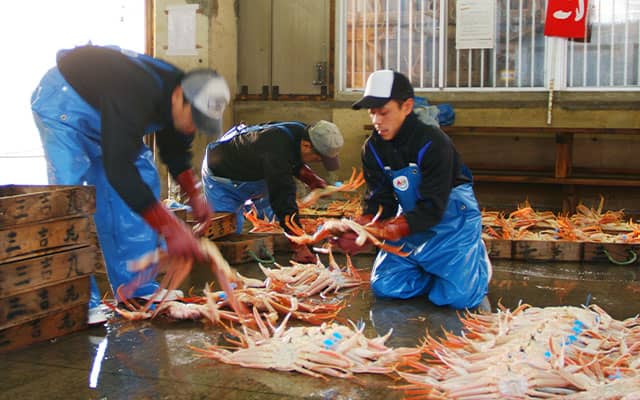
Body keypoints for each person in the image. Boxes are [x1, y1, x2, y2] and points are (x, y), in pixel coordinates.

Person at [31, 44, 230, 324]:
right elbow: (119, 169)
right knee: (72, 196)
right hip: (65, 104)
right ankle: (78, 300)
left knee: (144, 179)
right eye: (195, 120)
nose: (194, 128)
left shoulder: (180, 98)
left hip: (108, 112)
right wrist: (170, 228)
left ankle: (137, 290)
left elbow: (175, 152)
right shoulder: (137, 91)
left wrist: (195, 197)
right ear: (178, 98)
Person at [334, 69, 491, 309]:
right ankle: (441, 272)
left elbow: (433, 207)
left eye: (384, 112)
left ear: (406, 106)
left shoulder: (433, 142)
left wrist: (382, 232)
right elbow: (379, 202)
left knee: (458, 299)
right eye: (372, 112)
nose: (377, 121)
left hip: (451, 219)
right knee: (386, 286)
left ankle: (475, 265)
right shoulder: (373, 149)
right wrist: (360, 230)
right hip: (409, 218)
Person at [201, 120, 344, 263]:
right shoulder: (276, 152)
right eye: (318, 159)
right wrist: (299, 245)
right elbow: (283, 199)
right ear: (306, 146)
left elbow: (292, 158)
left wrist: (311, 179)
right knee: (228, 233)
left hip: (256, 171)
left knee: (272, 223)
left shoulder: (301, 132)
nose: (317, 162)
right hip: (222, 177)